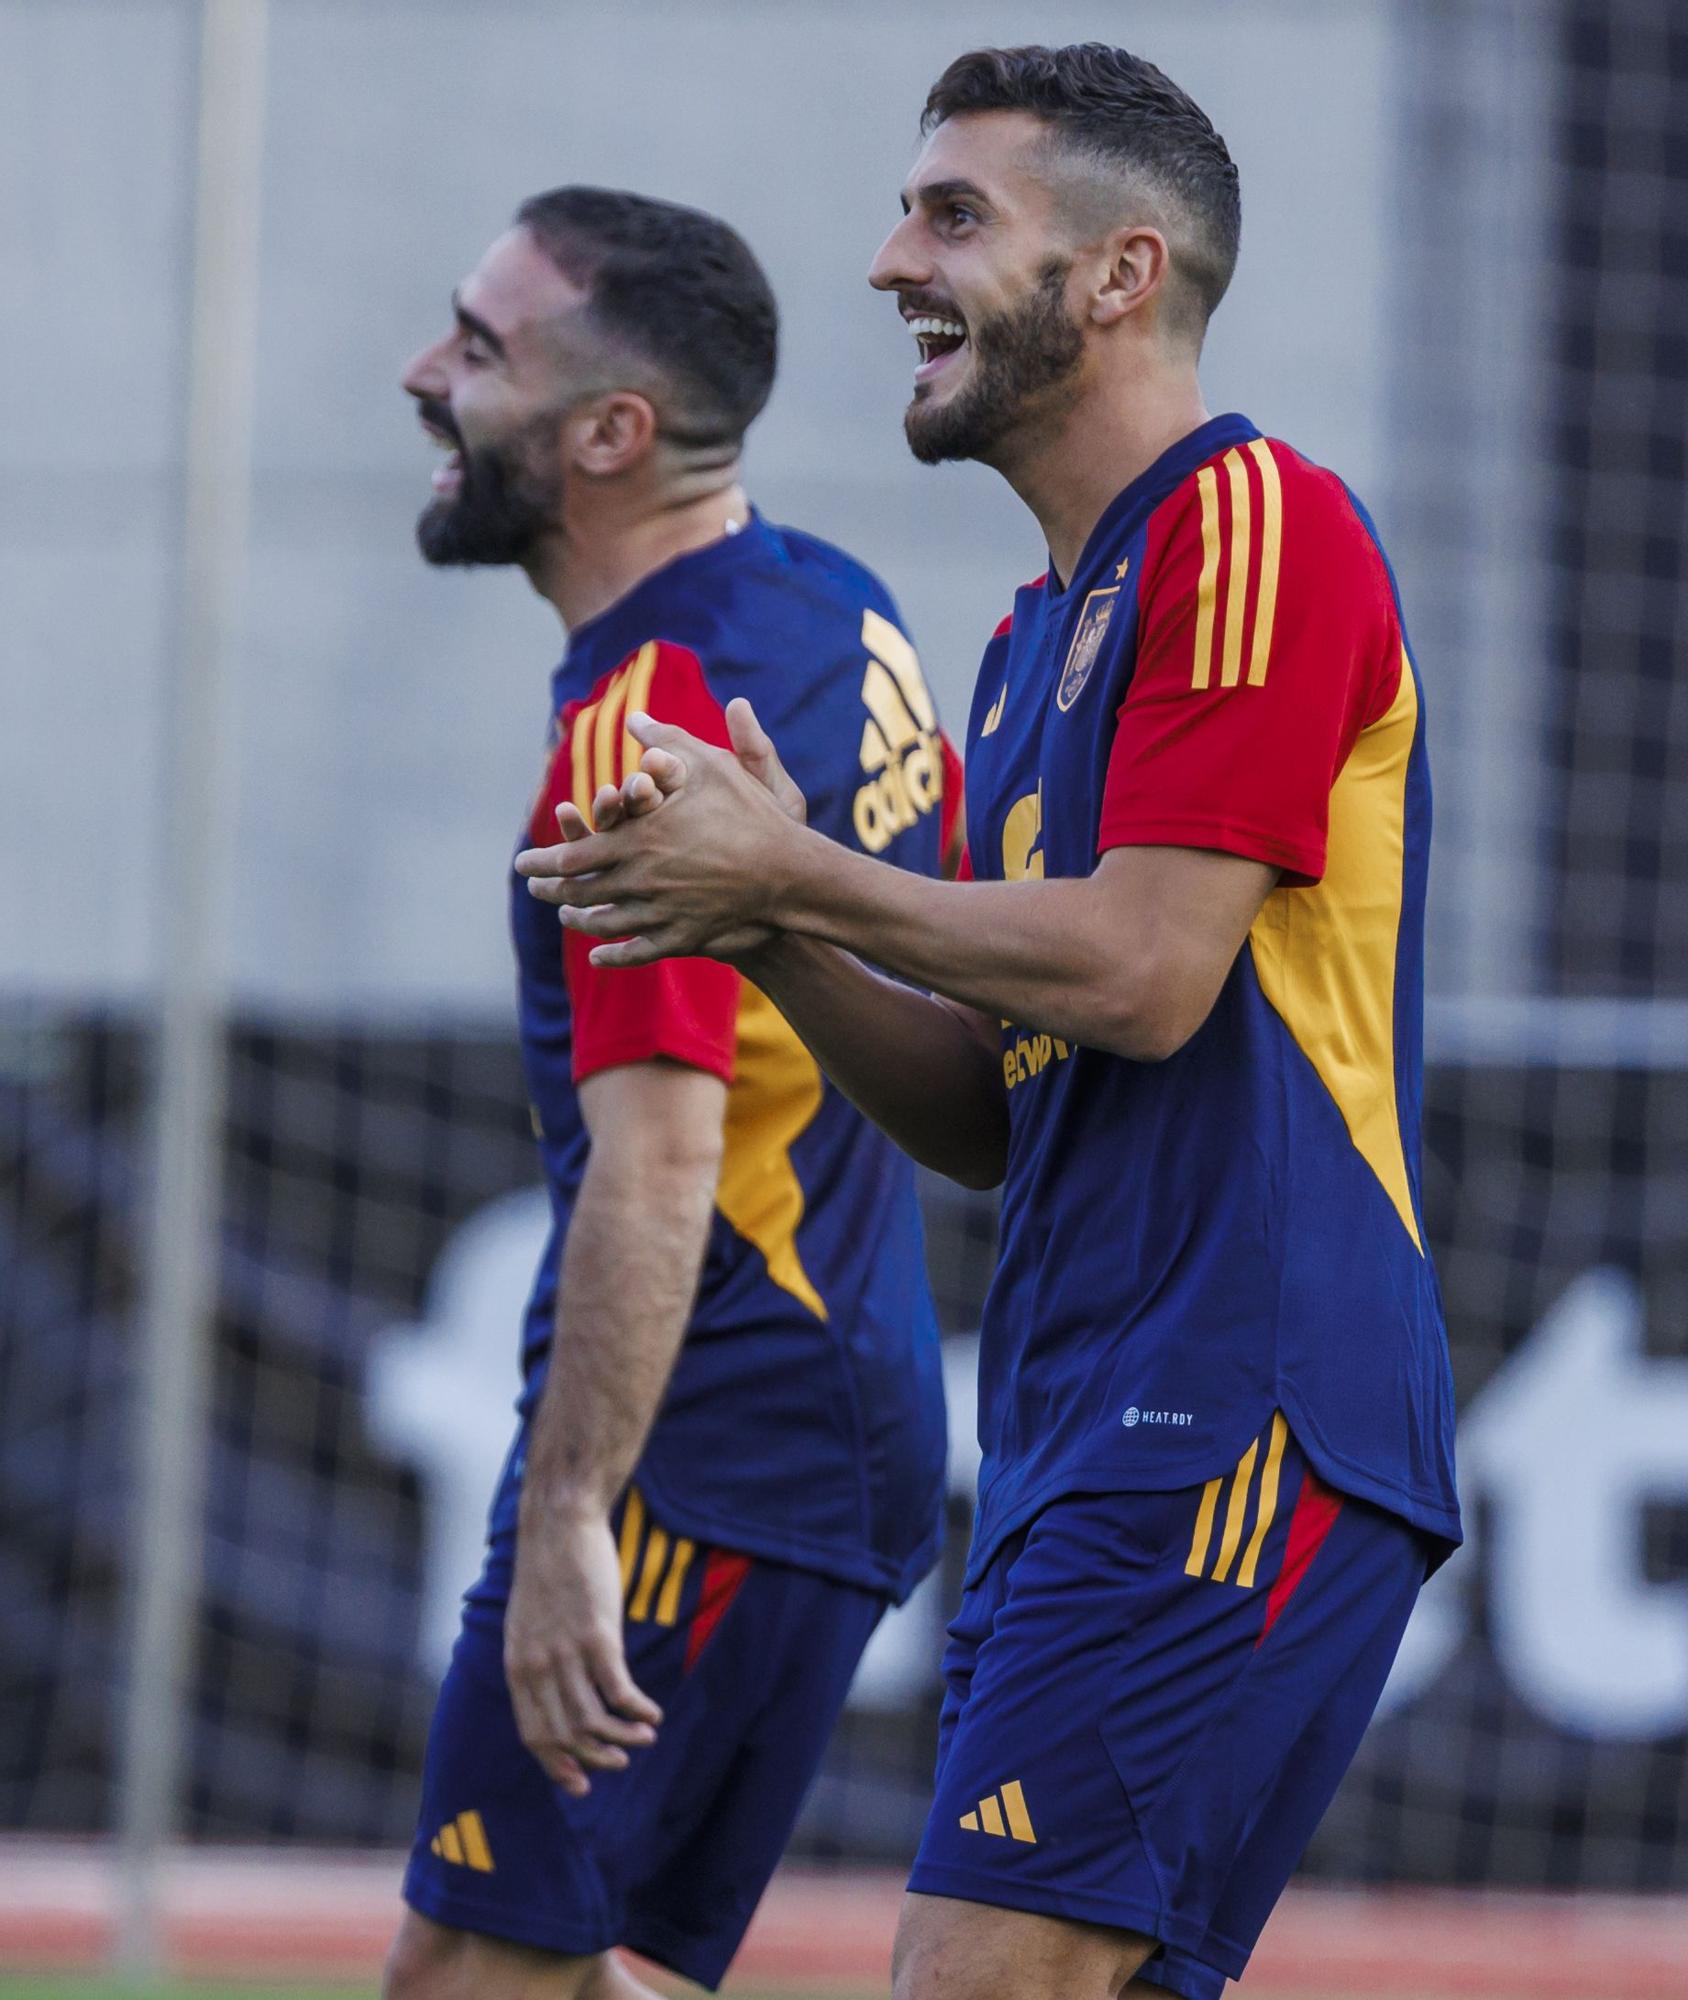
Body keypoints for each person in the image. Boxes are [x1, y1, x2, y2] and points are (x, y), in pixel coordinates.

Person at [517, 46, 1463, 2000]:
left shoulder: (1256, 522)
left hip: (1239, 1399)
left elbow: (1143, 968)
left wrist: (788, 877)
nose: (886, 261)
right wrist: (755, 916)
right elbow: (985, 1104)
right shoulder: (1035, 635)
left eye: (952, 214)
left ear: (1121, 274)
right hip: (1079, 1429)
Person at [386, 187, 960, 2000]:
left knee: (478, 1980)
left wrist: (569, 1520)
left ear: (610, 434)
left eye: (480, 351)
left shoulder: (647, 723)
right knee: (599, 1974)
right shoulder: (833, 607)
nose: (424, 376)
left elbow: (659, 1161)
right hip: (833, 1414)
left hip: (704, 1438)